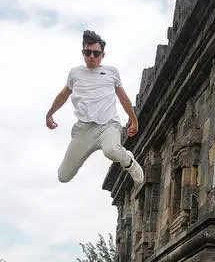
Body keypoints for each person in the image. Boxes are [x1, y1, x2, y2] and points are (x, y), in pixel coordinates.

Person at [45, 29, 144, 186]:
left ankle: (128, 161)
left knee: (111, 150)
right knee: (63, 176)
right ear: (83, 53)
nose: (91, 56)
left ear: (102, 55)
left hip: (108, 125)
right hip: (84, 129)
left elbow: (123, 98)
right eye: (88, 52)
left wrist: (134, 120)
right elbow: (63, 95)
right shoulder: (75, 73)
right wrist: (50, 114)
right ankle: (117, 154)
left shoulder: (111, 72)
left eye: (96, 53)